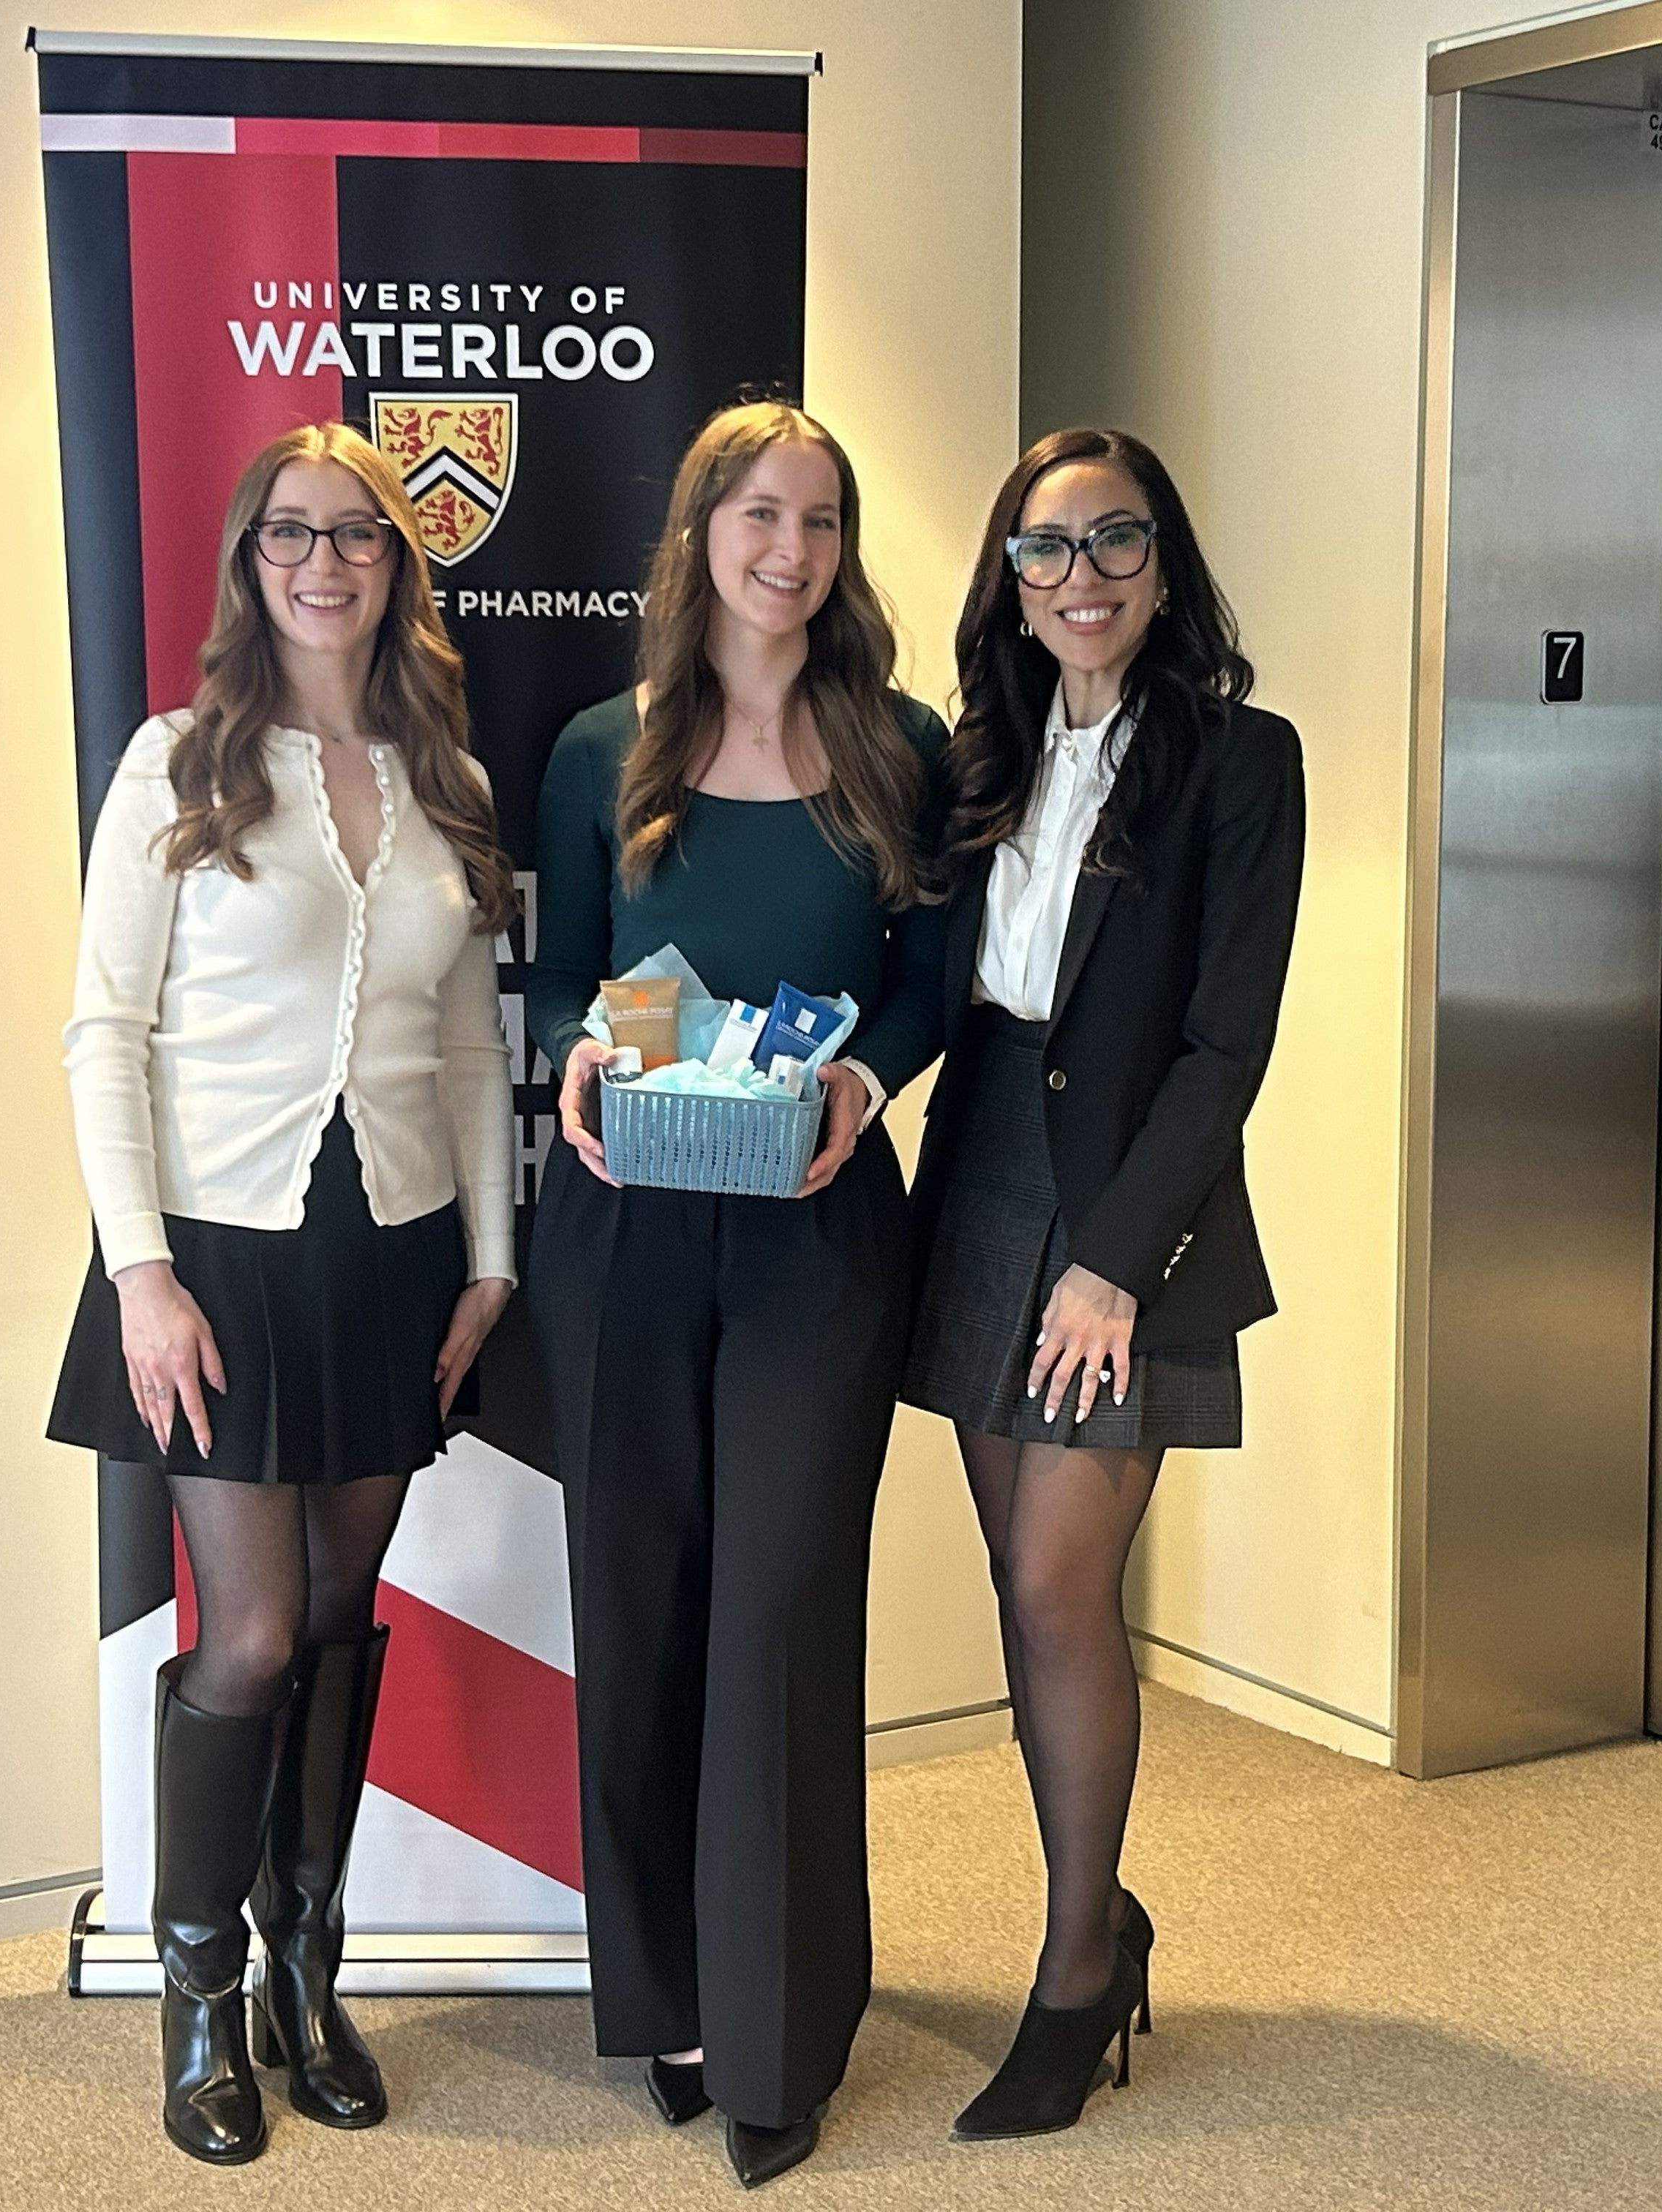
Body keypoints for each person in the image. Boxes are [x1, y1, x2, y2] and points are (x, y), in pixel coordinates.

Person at [46, 422, 518, 2166]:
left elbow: (466, 1046)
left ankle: (308, 1974)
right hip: (216, 1255)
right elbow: (105, 1034)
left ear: (399, 566)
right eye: (292, 533)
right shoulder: (179, 763)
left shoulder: (444, 778)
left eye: (359, 535)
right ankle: (200, 1997)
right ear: (251, 561)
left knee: (333, 1614)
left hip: (391, 1246)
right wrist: (140, 1275)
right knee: (247, 1631)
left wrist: (491, 1262)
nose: (326, 562)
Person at [527, 400, 946, 2190]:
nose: (792, 548)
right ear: (702, 530)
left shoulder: (898, 744)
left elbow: (929, 983)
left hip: (818, 1229)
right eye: (761, 513)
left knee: (778, 1611)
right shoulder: (598, 747)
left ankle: (782, 2033)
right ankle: (673, 2003)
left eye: (822, 518)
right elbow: (560, 976)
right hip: (626, 1218)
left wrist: (865, 1082)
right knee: (643, 1603)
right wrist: (575, 1055)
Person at [903, 426, 1304, 2140]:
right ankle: (1101, 1912)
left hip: (1131, 1199)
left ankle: (1076, 1971)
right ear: (1010, 581)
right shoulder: (975, 761)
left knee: (1060, 1585)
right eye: (1048, 549)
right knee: (1021, 1586)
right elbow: (934, 982)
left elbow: (1227, 1046)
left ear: (1164, 560)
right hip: (980, 1175)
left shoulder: (1239, 759)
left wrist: (1114, 1265)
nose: (1084, 576)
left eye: (1116, 539)